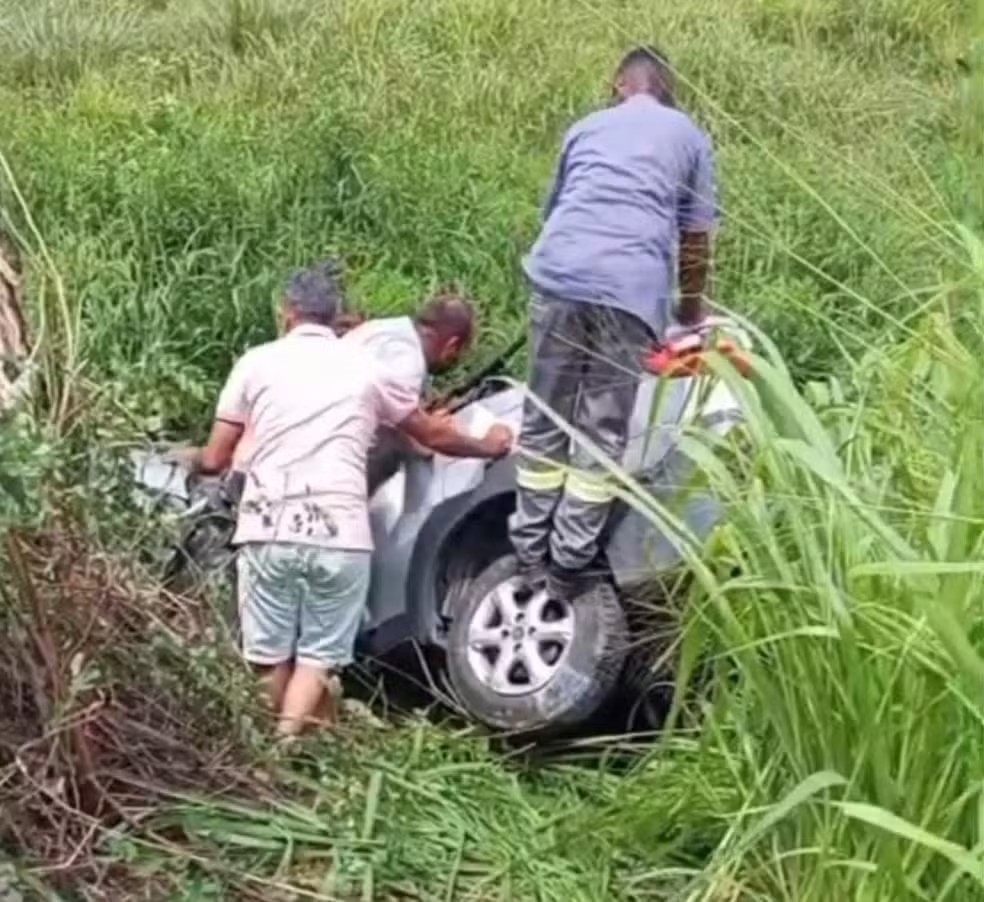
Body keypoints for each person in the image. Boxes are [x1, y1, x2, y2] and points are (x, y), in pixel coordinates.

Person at [181, 266, 512, 736]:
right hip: (339, 534)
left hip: (267, 526)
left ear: (286, 312)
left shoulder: (256, 362)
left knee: (268, 657)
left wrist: (191, 459)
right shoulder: (369, 368)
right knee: (316, 660)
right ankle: (285, 748)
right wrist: (489, 444)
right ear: (335, 314)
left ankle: (267, 751)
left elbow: (216, 458)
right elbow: (430, 435)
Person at [510, 45, 719, 599]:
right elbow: (695, 239)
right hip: (631, 294)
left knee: (544, 419)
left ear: (618, 84)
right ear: (668, 90)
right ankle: (567, 566)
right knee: (600, 436)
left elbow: (557, 212)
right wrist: (690, 313)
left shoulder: (585, 127)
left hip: (559, 278)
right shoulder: (690, 137)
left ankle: (528, 557)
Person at [344, 293, 495, 488]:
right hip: (334, 453)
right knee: (391, 448)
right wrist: (489, 445)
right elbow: (428, 438)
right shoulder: (409, 362)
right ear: (451, 346)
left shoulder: (383, 329)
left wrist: (422, 417)